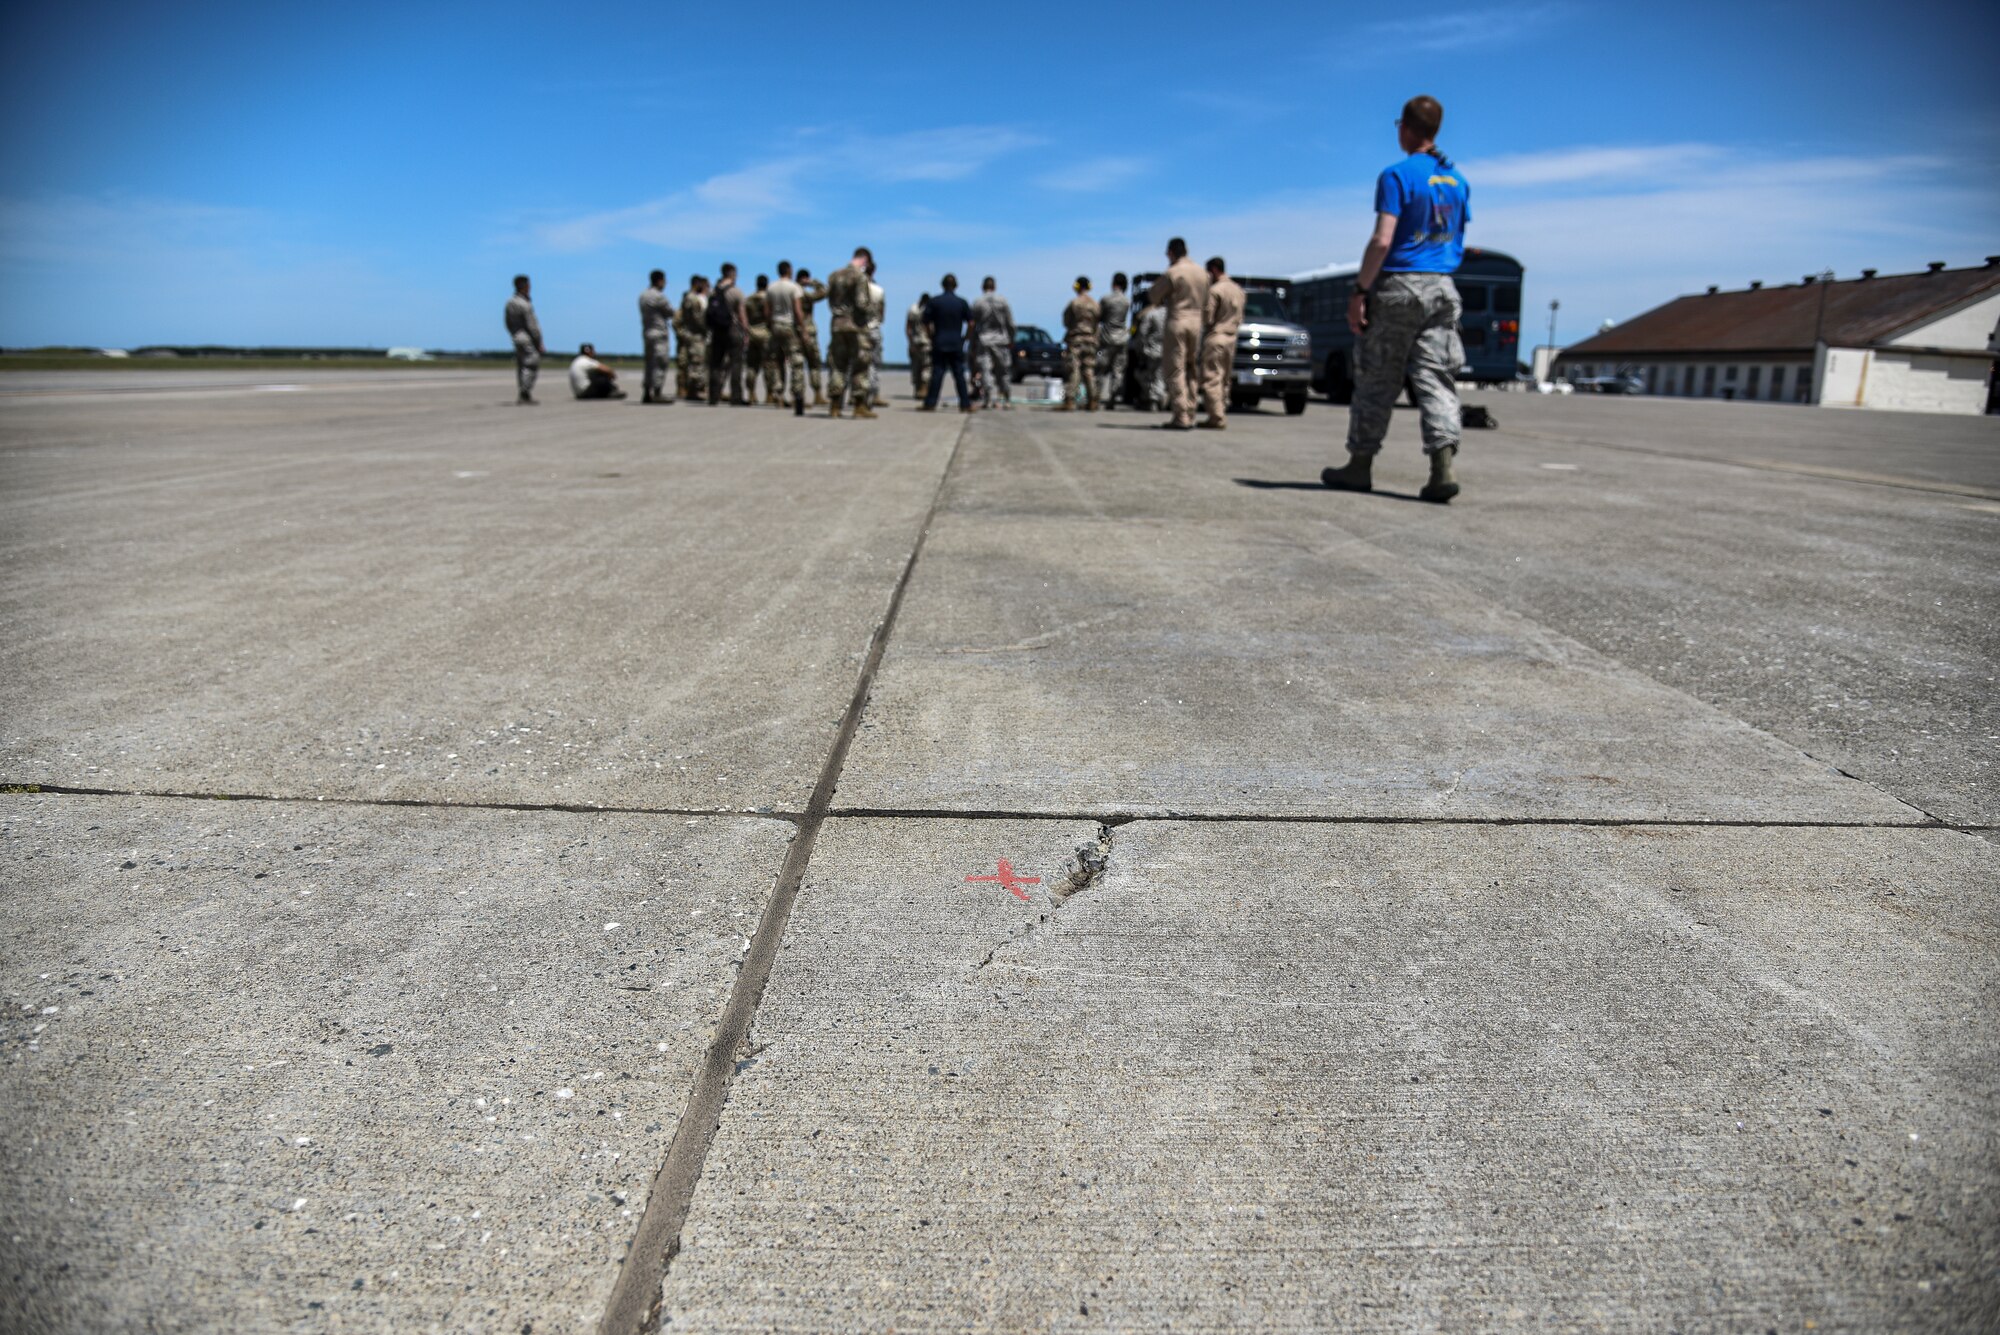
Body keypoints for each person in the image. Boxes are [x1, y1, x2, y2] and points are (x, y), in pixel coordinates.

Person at [1322, 94, 1471, 504]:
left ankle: (1360, 465)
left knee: (1377, 379)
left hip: (1400, 286)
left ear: (1406, 128)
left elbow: (1383, 239)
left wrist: (1360, 290)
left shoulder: (1397, 176)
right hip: (1442, 287)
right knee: (1435, 379)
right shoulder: (1458, 182)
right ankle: (1442, 467)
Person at [1146, 237, 1209, 429]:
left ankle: (1180, 415)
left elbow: (1154, 296)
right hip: (1197, 322)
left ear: (1171, 253)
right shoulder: (1202, 273)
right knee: (1191, 367)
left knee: (1175, 369)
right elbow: (1207, 302)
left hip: (1178, 320)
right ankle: (1190, 411)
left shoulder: (1173, 272)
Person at [825, 247, 878, 419]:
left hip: (837, 324)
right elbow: (862, 303)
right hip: (855, 326)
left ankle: (834, 406)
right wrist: (872, 311)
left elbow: (830, 300)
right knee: (860, 365)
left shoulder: (834, 275)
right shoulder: (859, 277)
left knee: (837, 365)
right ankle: (859, 406)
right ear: (864, 260)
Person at [1199, 257, 1245, 429]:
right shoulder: (1238, 290)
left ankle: (1216, 416)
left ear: (1214, 270)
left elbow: (1207, 317)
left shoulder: (1215, 290)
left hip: (1216, 336)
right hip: (1232, 337)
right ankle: (1222, 410)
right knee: (1225, 379)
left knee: (1212, 378)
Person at [919, 274, 973, 412]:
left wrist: (930, 335)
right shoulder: (961, 302)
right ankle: (965, 404)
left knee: (937, 373)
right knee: (959, 375)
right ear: (956, 286)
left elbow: (925, 321)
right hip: (956, 342)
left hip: (939, 341)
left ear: (942, 285)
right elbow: (971, 323)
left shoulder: (935, 301)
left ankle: (930, 403)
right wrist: (965, 338)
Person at [706, 263, 749, 406]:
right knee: (736, 364)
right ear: (732, 273)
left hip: (717, 331)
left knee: (715, 364)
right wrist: (746, 331)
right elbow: (742, 315)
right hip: (733, 329)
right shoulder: (736, 292)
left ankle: (713, 396)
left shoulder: (713, 292)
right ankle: (736, 397)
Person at [767, 261, 807, 409]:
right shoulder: (794, 287)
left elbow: (767, 310)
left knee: (776, 361)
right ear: (789, 270)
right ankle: (797, 393)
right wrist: (802, 329)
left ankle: (778, 393)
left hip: (775, 325)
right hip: (788, 325)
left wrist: (770, 325)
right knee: (796, 361)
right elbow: (797, 310)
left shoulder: (771, 287)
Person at [970, 277, 1016, 410]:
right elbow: (1010, 323)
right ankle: (1006, 399)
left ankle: (988, 399)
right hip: (1001, 340)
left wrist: (972, 343)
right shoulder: (1003, 301)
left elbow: (973, 325)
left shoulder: (978, 302)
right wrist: (1011, 339)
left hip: (984, 340)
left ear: (982, 287)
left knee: (985, 370)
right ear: (994, 286)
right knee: (1004, 371)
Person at [1059, 276, 1100, 411]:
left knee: (1074, 369)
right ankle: (1093, 400)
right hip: (1090, 340)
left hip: (1076, 340)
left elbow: (1066, 321)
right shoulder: (1095, 304)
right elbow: (1097, 323)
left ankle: (1070, 400)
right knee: (1089, 370)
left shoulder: (1074, 303)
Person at [504, 274, 543, 405]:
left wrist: (514, 334)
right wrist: (539, 341)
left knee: (521, 366)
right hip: (527, 338)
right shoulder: (525, 304)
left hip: (516, 337)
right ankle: (525, 392)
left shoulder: (510, 302)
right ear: (525, 286)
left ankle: (523, 391)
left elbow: (507, 322)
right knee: (531, 364)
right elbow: (532, 325)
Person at [1096, 273, 1132, 409]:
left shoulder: (1106, 299)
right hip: (1122, 339)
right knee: (1118, 371)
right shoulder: (1126, 301)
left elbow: (1099, 317)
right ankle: (1113, 397)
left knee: (1100, 369)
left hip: (1106, 340)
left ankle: (1096, 396)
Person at [639, 269, 673, 403]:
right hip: (659, 333)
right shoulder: (659, 296)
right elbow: (670, 312)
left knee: (649, 363)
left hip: (647, 332)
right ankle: (657, 392)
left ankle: (647, 391)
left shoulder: (642, 295)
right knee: (660, 362)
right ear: (660, 281)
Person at [796, 268, 828, 406]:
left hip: (795, 331)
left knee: (797, 365)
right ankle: (817, 394)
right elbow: (825, 291)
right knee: (814, 363)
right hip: (808, 330)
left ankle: (798, 396)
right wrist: (813, 282)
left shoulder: (792, 292)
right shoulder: (805, 295)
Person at [677, 275, 709, 401]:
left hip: (690, 334)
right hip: (696, 335)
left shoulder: (687, 298)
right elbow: (698, 319)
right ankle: (694, 391)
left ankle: (692, 390)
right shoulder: (693, 299)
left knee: (693, 363)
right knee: (697, 363)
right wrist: (707, 328)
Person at [744, 275, 776, 405]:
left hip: (752, 333)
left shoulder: (748, 299)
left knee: (752, 365)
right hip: (765, 333)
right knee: (769, 365)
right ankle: (769, 394)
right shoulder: (768, 299)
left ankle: (751, 393)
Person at [865, 263, 889, 407]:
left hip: (858, 330)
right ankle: (874, 394)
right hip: (873, 329)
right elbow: (882, 315)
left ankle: (855, 395)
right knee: (873, 363)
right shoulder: (878, 290)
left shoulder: (854, 289)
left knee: (854, 364)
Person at [1135, 297, 1166, 410]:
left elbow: (1142, 333)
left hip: (1151, 350)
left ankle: (1152, 399)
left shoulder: (1151, 314)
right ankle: (1159, 397)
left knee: (1145, 375)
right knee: (1160, 376)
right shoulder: (1172, 315)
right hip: (1166, 351)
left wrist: (1141, 348)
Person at [906, 294, 932, 399]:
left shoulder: (913, 309)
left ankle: (918, 389)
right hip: (926, 342)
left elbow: (908, 328)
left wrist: (911, 342)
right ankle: (924, 388)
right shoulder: (929, 310)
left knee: (916, 366)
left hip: (916, 341)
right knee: (927, 366)